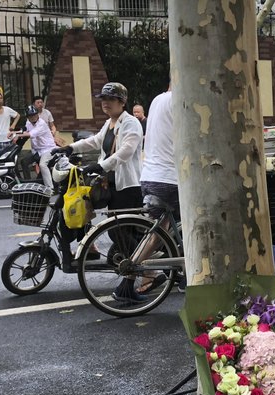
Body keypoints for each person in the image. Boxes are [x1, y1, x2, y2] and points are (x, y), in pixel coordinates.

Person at [114, 85, 182, 302]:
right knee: (199, 223)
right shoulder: (181, 101)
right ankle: (185, 275)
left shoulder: (157, 99)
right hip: (169, 178)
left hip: (150, 175)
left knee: (158, 233)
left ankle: (128, 284)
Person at [52, 82, 143, 212]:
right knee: (114, 228)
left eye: (111, 99)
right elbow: (95, 141)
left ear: (122, 102)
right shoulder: (109, 122)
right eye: (103, 99)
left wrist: (101, 166)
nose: (106, 102)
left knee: (126, 228)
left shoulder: (130, 123)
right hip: (111, 184)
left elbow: (126, 151)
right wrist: (70, 148)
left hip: (127, 185)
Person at [15, 105, 57, 189]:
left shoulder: (41, 124)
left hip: (48, 149)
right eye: (30, 116)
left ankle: (50, 187)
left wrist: (17, 136)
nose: (33, 117)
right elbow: (25, 129)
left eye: (34, 115)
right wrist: (13, 132)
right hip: (37, 151)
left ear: (37, 114)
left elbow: (31, 134)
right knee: (24, 162)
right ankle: (28, 184)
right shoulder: (28, 122)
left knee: (42, 165)